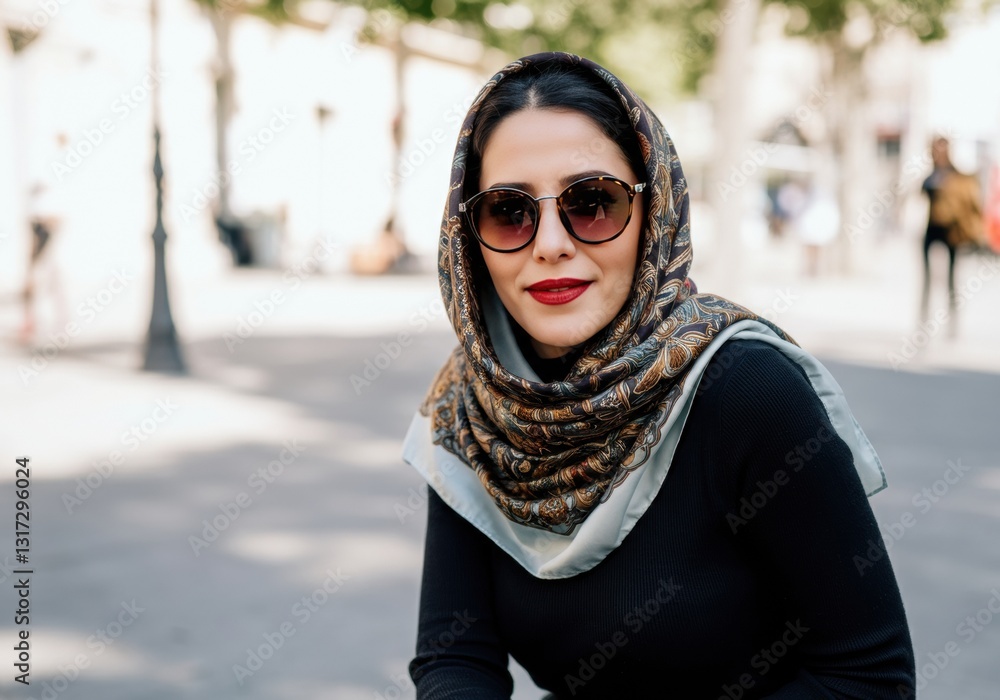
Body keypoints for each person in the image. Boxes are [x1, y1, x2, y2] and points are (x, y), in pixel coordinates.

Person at [403, 53, 914, 699]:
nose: (551, 243)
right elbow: (455, 656)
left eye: (593, 202)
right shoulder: (476, 405)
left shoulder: (748, 388)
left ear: (655, 211)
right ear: (468, 238)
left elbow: (868, 679)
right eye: (509, 211)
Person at [919, 136, 982, 330]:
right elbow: (922, 193)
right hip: (932, 229)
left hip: (951, 231)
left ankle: (952, 321)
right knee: (927, 277)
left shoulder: (956, 175)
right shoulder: (932, 175)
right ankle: (924, 318)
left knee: (951, 278)